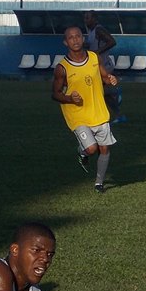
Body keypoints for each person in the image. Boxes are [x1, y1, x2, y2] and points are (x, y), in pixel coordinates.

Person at [52, 26, 119, 194]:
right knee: (91, 149)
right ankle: (82, 151)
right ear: (65, 42)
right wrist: (69, 98)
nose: (75, 40)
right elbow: (55, 94)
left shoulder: (94, 57)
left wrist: (110, 79)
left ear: (83, 39)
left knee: (104, 149)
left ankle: (99, 183)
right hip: (77, 115)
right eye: (71, 37)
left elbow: (104, 77)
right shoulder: (62, 68)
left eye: (77, 36)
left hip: (98, 111)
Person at [84, 10, 126, 124]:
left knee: (95, 90)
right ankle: (119, 114)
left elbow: (112, 41)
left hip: (104, 65)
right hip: (96, 65)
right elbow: (93, 45)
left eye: (88, 18)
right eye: (85, 18)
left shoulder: (99, 29)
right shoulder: (90, 31)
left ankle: (115, 94)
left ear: (94, 19)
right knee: (101, 93)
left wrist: (97, 52)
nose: (85, 20)